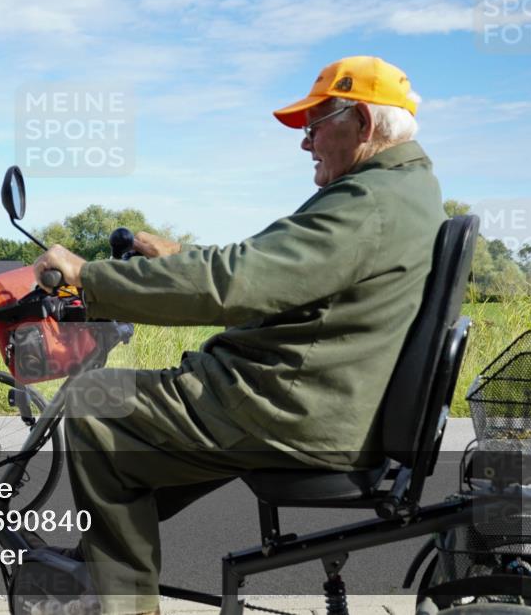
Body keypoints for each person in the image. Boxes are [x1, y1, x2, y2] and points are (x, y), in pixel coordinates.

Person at [32, 56, 446, 614]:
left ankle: (120, 605)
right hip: (321, 398)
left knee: (92, 406)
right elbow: (272, 268)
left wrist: (92, 277)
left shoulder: (367, 203)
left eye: (316, 124)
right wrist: (178, 255)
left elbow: (236, 283)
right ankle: (107, 556)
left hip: (287, 406)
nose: (306, 142)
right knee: (131, 445)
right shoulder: (404, 191)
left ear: (364, 125)